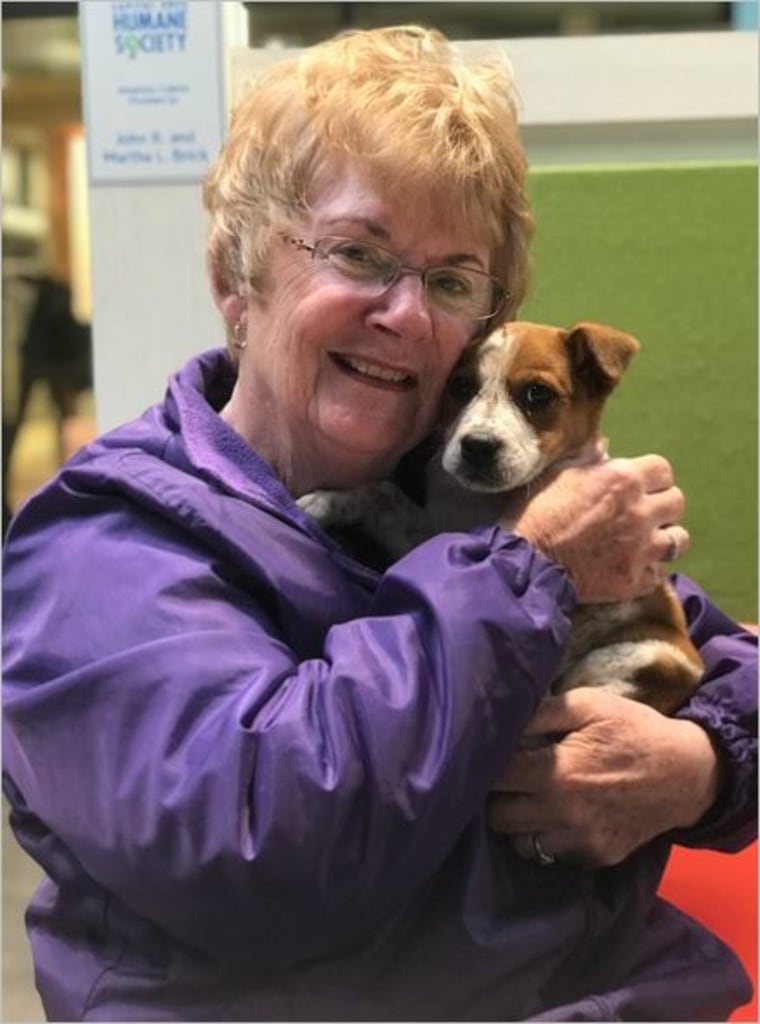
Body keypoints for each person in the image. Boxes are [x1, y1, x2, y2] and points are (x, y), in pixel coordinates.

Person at [2, 25, 756, 1022]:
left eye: (449, 281)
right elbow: (262, 846)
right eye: (357, 254)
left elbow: (724, 661)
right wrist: (531, 566)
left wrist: (692, 770)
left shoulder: (468, 500)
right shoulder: (102, 548)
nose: (405, 314)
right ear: (237, 276)